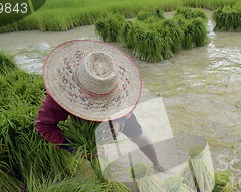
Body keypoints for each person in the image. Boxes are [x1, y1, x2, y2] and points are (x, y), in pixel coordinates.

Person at [35, 39, 166, 172]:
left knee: (140, 136)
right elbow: (43, 125)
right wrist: (73, 148)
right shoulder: (61, 92)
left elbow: (129, 102)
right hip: (82, 122)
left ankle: (157, 164)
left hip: (118, 110)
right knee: (94, 151)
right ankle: (102, 176)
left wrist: (118, 122)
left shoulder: (114, 82)